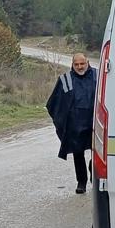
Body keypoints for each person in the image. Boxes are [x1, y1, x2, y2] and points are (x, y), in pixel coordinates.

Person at [46, 53, 97, 194]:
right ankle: (81, 182)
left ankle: (94, 170)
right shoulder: (65, 79)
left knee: (98, 151)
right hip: (75, 124)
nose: (80, 67)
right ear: (72, 64)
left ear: (87, 62)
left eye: (82, 63)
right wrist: (62, 122)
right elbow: (54, 103)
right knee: (78, 153)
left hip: (95, 123)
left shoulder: (98, 76)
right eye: (76, 64)